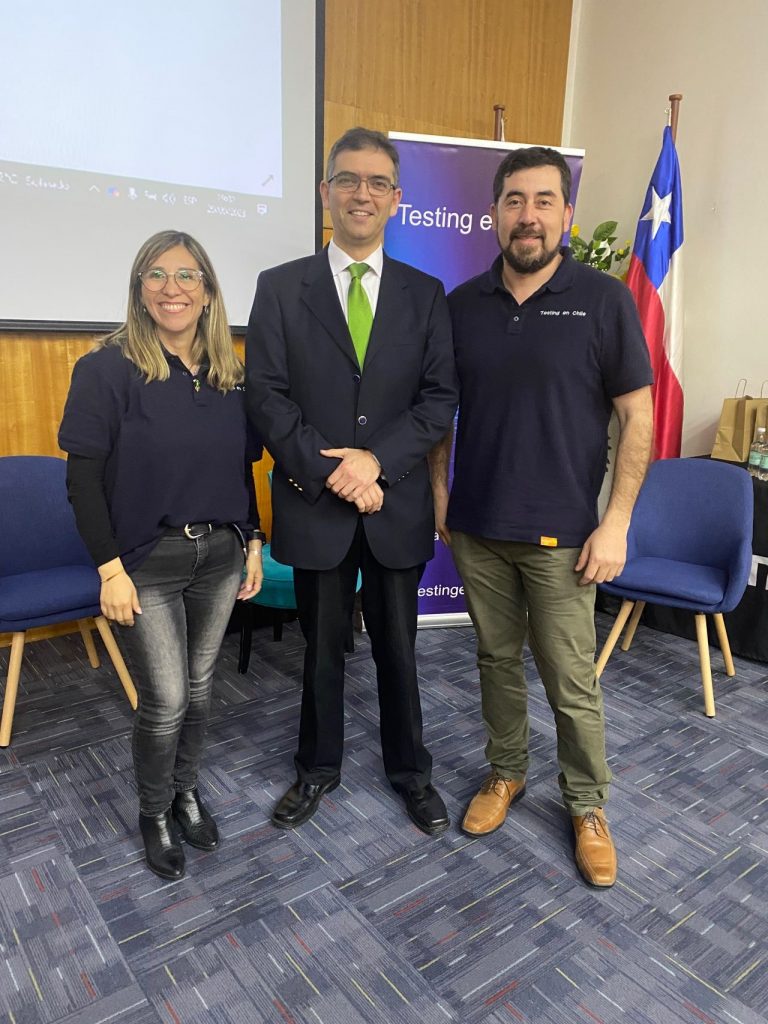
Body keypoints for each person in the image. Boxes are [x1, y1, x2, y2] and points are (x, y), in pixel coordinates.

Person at [430, 147, 653, 887]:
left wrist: (616, 521)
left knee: (569, 678)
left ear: (567, 214)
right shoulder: (461, 306)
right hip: (478, 528)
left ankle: (587, 805)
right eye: (515, 201)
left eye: (544, 201)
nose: (529, 216)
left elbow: (637, 417)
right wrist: (440, 496)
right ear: (495, 213)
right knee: (495, 662)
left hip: (566, 538)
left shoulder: (604, 300)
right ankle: (505, 773)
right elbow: (440, 415)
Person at [246, 127, 458, 836]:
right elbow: (268, 399)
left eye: (376, 183)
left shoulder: (427, 296)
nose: (360, 193)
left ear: (396, 199)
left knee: (401, 651)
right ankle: (317, 769)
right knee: (321, 653)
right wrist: (335, 471)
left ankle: (411, 772)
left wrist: (376, 464)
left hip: (393, 504)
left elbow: (437, 399)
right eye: (347, 179)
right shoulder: (279, 289)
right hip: (318, 506)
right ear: (324, 191)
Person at [59, 230, 264, 881]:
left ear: (207, 291)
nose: (171, 288)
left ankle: (185, 791)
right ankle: (153, 810)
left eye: (186, 275)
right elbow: (82, 480)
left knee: (201, 691)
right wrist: (109, 568)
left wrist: (253, 539)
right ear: (139, 289)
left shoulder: (232, 375)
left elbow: (241, 467)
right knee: (168, 699)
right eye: (156, 275)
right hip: (145, 562)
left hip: (221, 556)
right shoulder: (106, 369)